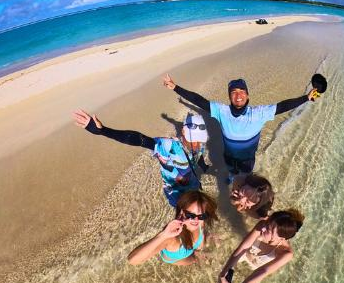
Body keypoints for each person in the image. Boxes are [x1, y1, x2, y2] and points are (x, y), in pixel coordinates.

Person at [162, 74, 324, 178]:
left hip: (248, 158)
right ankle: (231, 177)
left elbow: (283, 106)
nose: (238, 95)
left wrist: (306, 98)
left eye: (242, 91)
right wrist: (176, 88)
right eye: (233, 92)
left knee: (246, 174)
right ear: (229, 96)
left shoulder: (259, 113)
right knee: (231, 172)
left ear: (247, 95)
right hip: (229, 156)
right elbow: (199, 101)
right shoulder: (221, 111)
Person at [73, 109, 209, 207]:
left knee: (201, 214)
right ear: (184, 131)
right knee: (185, 220)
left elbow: (199, 155)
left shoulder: (200, 144)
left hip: (193, 186)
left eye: (199, 140)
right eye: (194, 139)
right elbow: (139, 139)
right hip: (176, 193)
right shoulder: (168, 146)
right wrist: (104, 131)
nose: (197, 144)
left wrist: (204, 167)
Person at [217, 209, 304, 283]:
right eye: (267, 223)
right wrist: (223, 275)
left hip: (257, 270)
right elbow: (242, 248)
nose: (263, 228)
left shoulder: (285, 253)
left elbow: (262, 272)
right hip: (244, 255)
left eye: (269, 230)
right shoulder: (262, 225)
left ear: (282, 238)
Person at [128, 190, 219, 266]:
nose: (195, 220)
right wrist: (163, 235)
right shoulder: (172, 237)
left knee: (199, 250)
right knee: (194, 260)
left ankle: (197, 252)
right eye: (190, 215)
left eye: (201, 216)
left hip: (192, 247)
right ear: (181, 211)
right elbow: (133, 261)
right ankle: (196, 256)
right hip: (176, 258)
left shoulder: (200, 222)